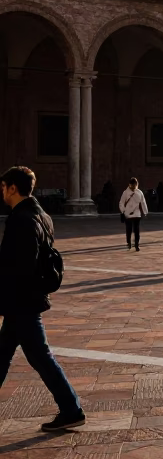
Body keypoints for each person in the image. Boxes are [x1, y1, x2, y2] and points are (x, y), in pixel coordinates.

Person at [0, 166, 86, 432]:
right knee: (2, 355)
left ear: (13, 187)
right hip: (25, 300)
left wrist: (4, 301)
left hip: (21, 302)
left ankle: (71, 409)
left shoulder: (21, 219)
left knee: (40, 357)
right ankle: (71, 408)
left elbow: (21, 267)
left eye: (3, 186)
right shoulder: (41, 215)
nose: (1, 191)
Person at [118, 177, 148, 251]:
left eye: (135, 184)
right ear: (130, 184)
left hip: (137, 214)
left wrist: (145, 211)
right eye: (133, 185)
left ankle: (137, 244)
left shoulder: (139, 192)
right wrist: (123, 210)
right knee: (129, 229)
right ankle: (129, 242)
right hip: (128, 214)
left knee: (136, 230)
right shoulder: (125, 192)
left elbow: (143, 202)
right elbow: (121, 202)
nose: (134, 186)